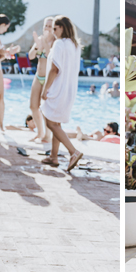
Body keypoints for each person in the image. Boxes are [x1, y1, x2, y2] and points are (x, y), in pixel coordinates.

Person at [39, 16, 85, 170]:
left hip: (58, 88)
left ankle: (73, 151)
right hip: (69, 89)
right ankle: (53, 156)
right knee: (56, 122)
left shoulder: (59, 44)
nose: (53, 32)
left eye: (55, 29)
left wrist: (45, 88)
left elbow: (54, 69)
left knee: (50, 122)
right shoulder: (75, 45)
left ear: (63, 28)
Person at [27, 17, 55, 144]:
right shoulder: (40, 39)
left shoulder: (55, 42)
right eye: (46, 26)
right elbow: (31, 56)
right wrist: (37, 45)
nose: (47, 28)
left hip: (49, 79)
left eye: (50, 26)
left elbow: (50, 57)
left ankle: (47, 135)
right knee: (33, 106)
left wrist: (45, 44)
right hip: (38, 76)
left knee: (46, 109)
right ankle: (40, 132)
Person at [0, 14, 19, 131]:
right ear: (2, 25)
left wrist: (7, 53)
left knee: (0, 96)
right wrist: (7, 51)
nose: (6, 30)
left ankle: (1, 124)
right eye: (6, 27)